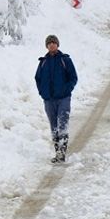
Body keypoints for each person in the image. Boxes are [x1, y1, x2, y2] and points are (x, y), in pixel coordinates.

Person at [34, 34, 78, 163]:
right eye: (49, 43)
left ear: (57, 45)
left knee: (62, 124)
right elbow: (37, 78)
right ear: (47, 46)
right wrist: (42, 93)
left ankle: (62, 153)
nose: (52, 44)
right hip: (49, 99)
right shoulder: (43, 62)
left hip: (63, 98)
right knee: (53, 125)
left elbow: (73, 77)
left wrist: (67, 90)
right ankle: (57, 151)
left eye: (54, 42)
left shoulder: (65, 60)